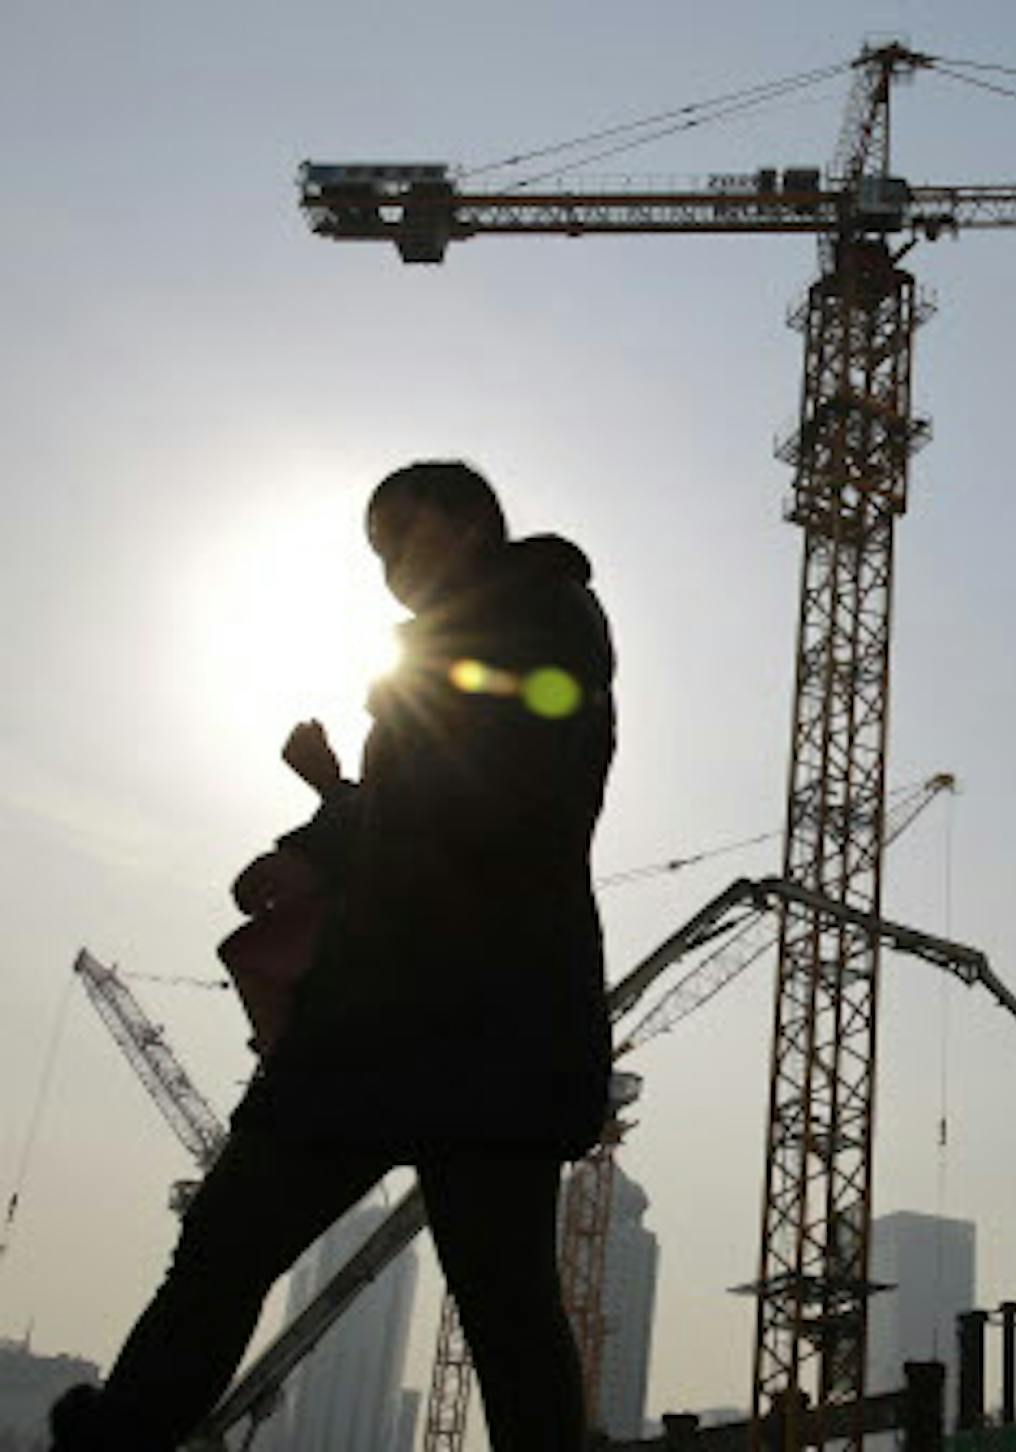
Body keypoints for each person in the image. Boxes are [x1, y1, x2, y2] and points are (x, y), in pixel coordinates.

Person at [53, 461, 617, 1450]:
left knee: (491, 1300)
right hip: (410, 1019)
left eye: (403, 534)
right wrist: (323, 822)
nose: (390, 563)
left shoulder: (540, 619)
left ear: (469, 523)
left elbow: (486, 799)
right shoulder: (471, 640)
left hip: (470, 1018)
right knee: (240, 1254)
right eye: (377, 549)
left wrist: (327, 821)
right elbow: (427, 810)